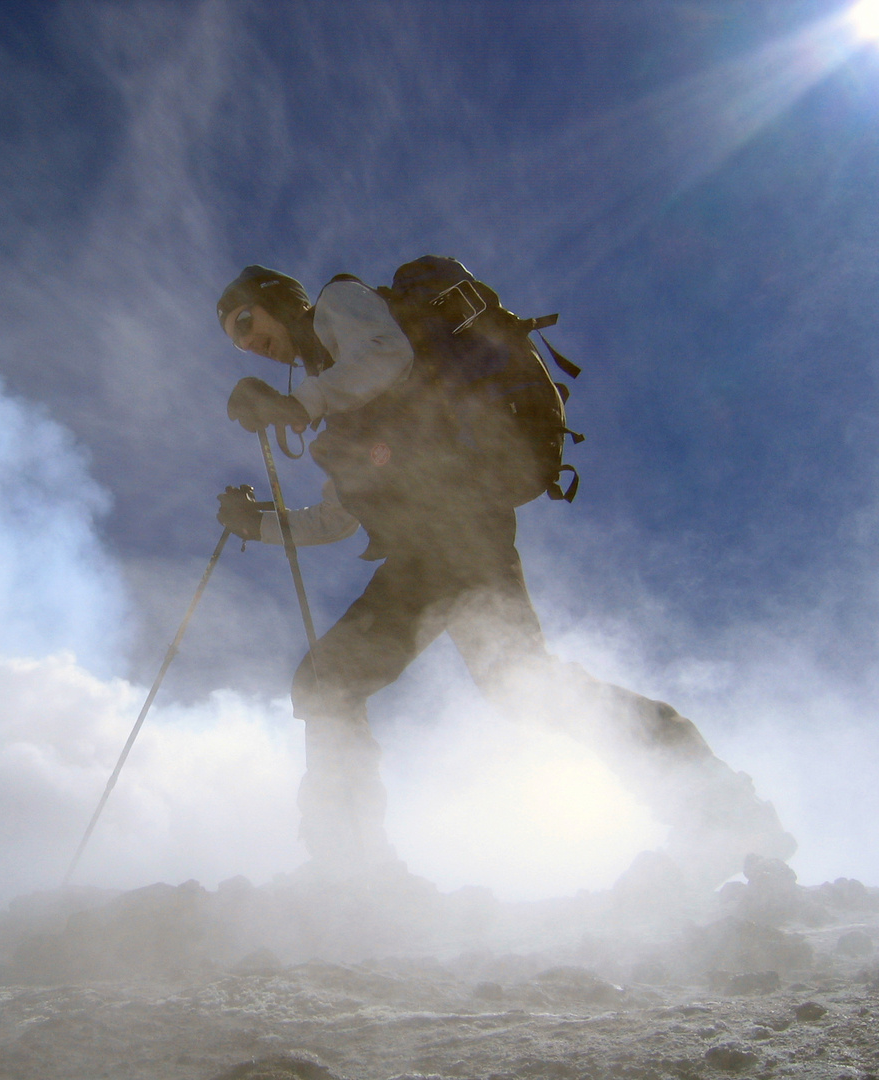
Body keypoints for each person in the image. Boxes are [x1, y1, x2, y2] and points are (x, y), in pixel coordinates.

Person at [213, 263, 795, 886]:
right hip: (457, 539)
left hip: (449, 537)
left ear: (278, 300)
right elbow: (336, 519)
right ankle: (722, 806)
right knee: (523, 687)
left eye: (246, 320)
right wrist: (259, 524)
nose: (247, 341)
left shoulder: (339, 305)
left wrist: (295, 404)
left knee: (331, 682)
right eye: (234, 339)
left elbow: (390, 355)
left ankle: (349, 870)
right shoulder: (339, 394)